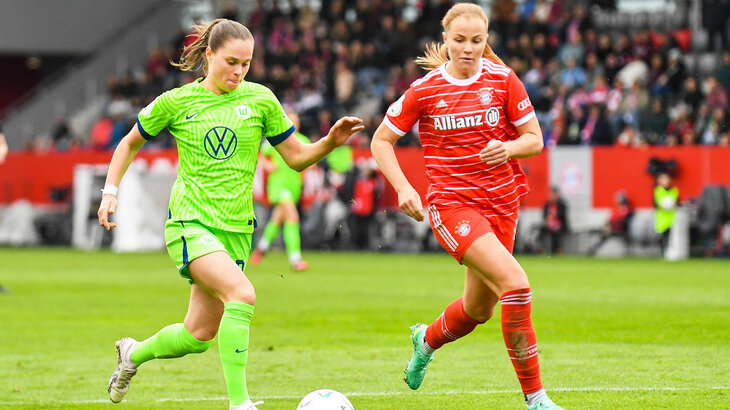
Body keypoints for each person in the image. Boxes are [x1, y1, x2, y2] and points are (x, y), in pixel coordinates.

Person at [97, 19, 363, 410]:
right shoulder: (178, 101)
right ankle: (240, 404)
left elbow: (297, 158)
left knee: (197, 335)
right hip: (190, 224)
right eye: (231, 62)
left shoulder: (260, 100)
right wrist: (109, 192)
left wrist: (327, 142)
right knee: (242, 293)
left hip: (237, 230)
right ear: (208, 55)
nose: (239, 72)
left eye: (246, 64)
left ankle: (132, 354)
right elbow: (128, 144)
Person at [370, 4, 563, 410]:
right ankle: (537, 399)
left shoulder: (503, 79)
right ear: (446, 41)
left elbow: (534, 139)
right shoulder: (425, 90)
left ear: (486, 41)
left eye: (477, 41)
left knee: (478, 310)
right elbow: (380, 140)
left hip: (503, 203)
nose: (468, 48)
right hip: (452, 205)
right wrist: (404, 188)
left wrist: (507, 147)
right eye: (459, 40)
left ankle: (425, 341)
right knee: (517, 285)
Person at [250, 110, 311, 271]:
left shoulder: (302, 140)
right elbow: (259, 154)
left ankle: (260, 249)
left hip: (294, 187)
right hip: (278, 185)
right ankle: (295, 259)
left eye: (296, 120)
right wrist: (267, 165)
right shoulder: (277, 139)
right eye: (291, 120)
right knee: (292, 216)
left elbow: (311, 160)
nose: (294, 123)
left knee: (277, 220)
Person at [588, 190, 634, 256]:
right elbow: (610, 219)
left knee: (605, 233)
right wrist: (606, 224)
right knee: (603, 233)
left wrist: (612, 226)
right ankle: (593, 249)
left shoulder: (625, 209)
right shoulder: (616, 209)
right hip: (612, 228)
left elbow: (622, 222)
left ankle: (594, 248)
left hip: (619, 229)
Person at [654, 172, 679, 255]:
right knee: (661, 237)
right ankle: (662, 253)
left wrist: (673, 205)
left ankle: (670, 253)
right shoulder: (658, 191)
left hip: (672, 218)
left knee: (671, 237)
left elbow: (677, 203)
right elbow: (655, 204)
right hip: (661, 219)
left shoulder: (674, 191)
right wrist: (663, 206)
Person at [541, 186, 569, 255]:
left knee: (557, 233)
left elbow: (563, 216)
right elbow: (544, 215)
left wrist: (556, 215)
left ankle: (558, 250)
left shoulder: (562, 204)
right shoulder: (547, 204)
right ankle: (542, 249)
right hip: (549, 225)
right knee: (541, 231)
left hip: (559, 225)